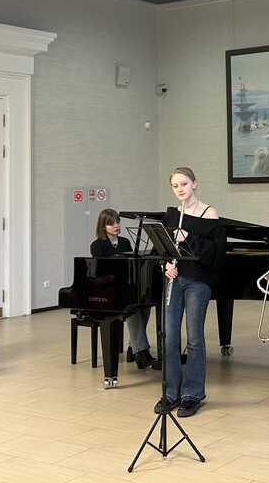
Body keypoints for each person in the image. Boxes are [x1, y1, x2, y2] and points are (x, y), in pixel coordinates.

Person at [155, 167, 225, 418]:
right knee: (169, 338)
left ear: (194, 183)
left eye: (184, 184)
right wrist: (165, 265)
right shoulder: (172, 215)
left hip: (197, 281)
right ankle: (170, 393)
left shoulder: (209, 213)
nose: (180, 189)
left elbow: (217, 253)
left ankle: (192, 394)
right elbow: (162, 249)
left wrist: (189, 238)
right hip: (174, 280)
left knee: (194, 338)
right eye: (175, 186)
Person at [91, 209, 160, 370]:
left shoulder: (125, 242)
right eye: (111, 224)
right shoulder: (97, 245)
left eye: (117, 222)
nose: (116, 226)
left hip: (126, 286)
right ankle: (141, 351)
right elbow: (102, 270)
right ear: (103, 226)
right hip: (109, 288)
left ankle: (134, 347)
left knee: (144, 302)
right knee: (132, 305)